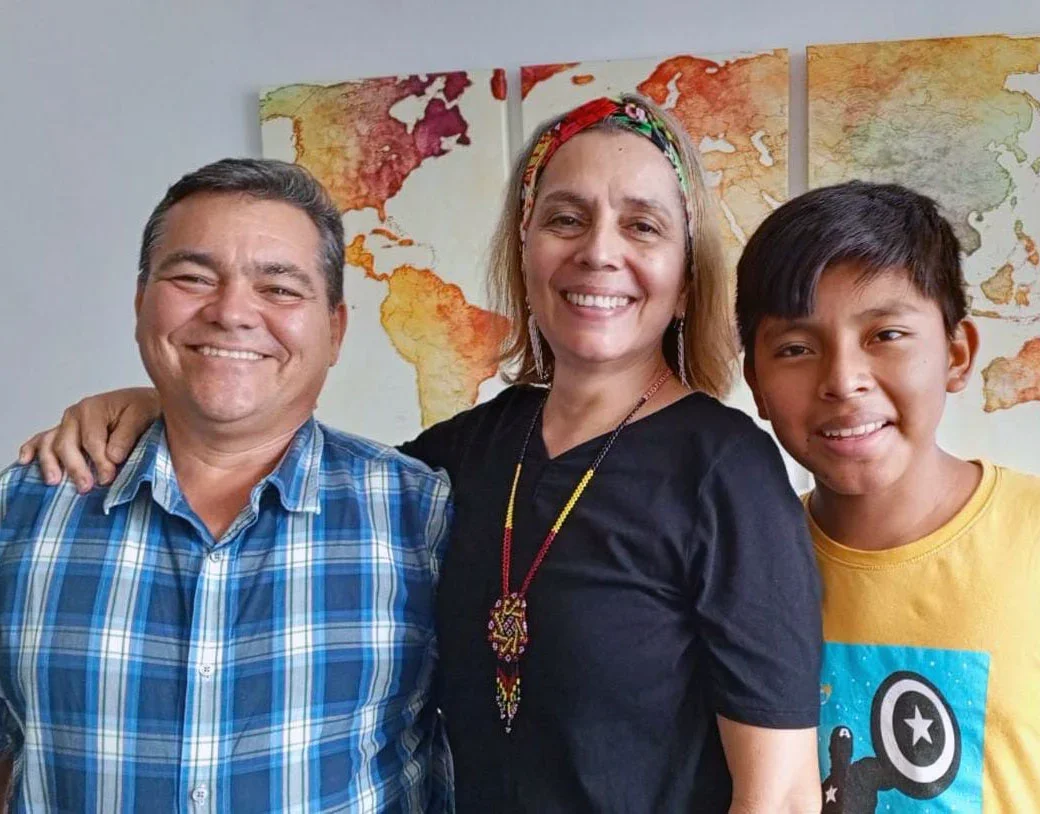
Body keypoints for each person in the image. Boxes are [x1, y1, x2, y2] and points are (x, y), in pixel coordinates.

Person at [18, 95, 824, 812]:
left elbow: (780, 796)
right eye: (565, 219)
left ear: (685, 279)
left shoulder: (728, 474)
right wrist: (161, 404)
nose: (598, 252)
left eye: (642, 225)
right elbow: (277, 447)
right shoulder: (457, 461)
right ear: (525, 253)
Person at [0, 158, 452, 812]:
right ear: (140, 305)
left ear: (335, 330)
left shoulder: (424, 517)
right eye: (193, 278)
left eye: (280, 288)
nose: (232, 311)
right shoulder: (22, 510)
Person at [736, 181, 1040, 812]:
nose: (842, 381)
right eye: (796, 348)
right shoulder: (741, 573)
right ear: (757, 386)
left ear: (957, 354)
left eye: (885, 335)